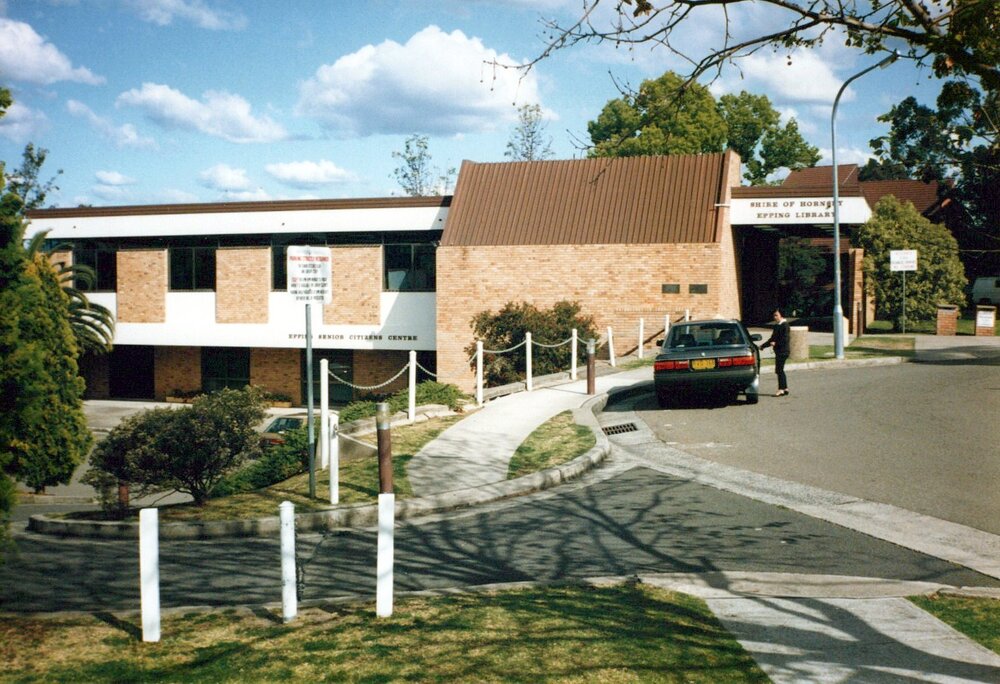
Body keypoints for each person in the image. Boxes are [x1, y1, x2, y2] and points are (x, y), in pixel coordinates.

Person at [761, 309, 790, 397]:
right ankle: (785, 388)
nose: (775, 317)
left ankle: (781, 389)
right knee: (780, 370)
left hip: (783, 351)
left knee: (779, 370)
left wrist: (776, 343)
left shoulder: (785, 325)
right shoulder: (777, 326)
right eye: (774, 315)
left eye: (776, 315)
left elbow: (785, 339)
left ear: (781, 315)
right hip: (779, 351)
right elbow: (772, 339)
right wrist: (763, 346)